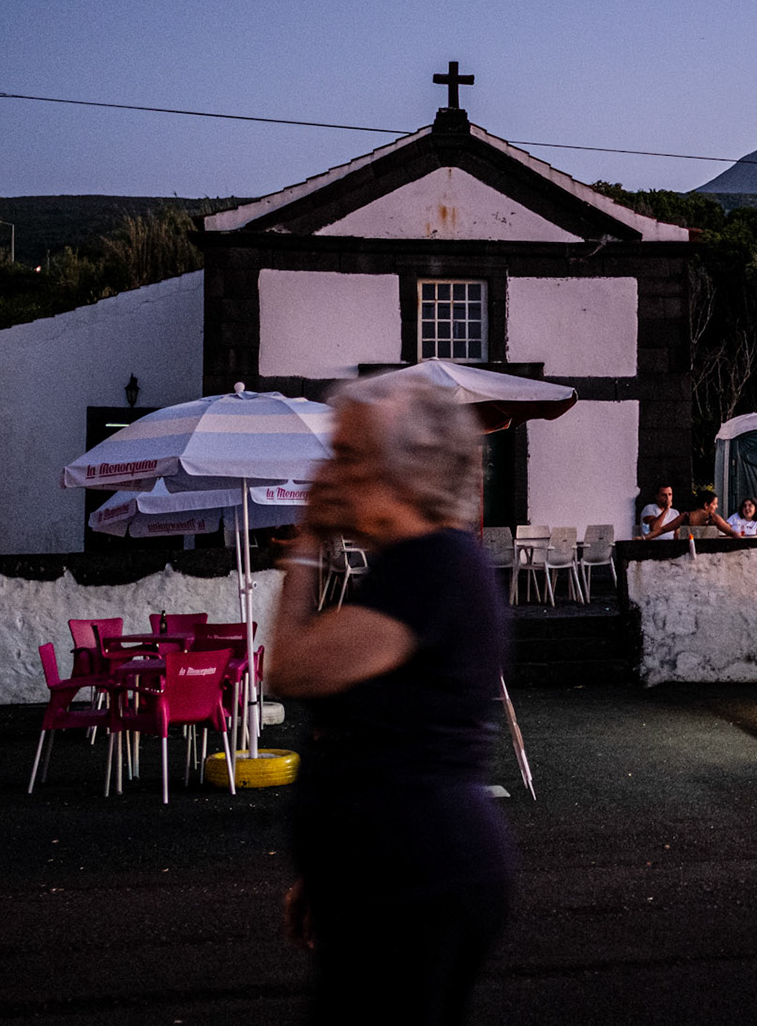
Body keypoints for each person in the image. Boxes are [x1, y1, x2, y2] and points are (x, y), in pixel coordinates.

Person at [268, 372, 512, 1025]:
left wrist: (307, 543)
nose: (329, 470)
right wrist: (330, 873)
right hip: (386, 872)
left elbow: (292, 669)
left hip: (420, 877)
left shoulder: (434, 565)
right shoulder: (410, 567)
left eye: (346, 454)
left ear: (401, 471)